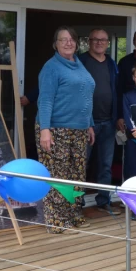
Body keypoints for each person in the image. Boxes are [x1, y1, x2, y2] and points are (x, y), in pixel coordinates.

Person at [36, 26, 96, 233]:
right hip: (56, 129)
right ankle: (57, 220)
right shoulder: (51, 67)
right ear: (56, 44)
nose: (68, 43)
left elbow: (85, 97)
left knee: (76, 175)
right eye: (63, 39)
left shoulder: (78, 64)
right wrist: (45, 129)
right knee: (58, 175)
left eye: (72, 39)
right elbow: (45, 101)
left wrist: (89, 124)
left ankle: (73, 214)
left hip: (79, 129)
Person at [78, 28, 119, 212]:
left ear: (108, 43)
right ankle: (77, 203)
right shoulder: (80, 61)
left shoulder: (111, 63)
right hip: (86, 123)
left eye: (103, 40)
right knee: (81, 164)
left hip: (108, 122)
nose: (99, 42)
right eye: (95, 39)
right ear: (89, 41)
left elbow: (118, 90)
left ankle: (103, 201)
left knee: (105, 166)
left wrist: (118, 116)